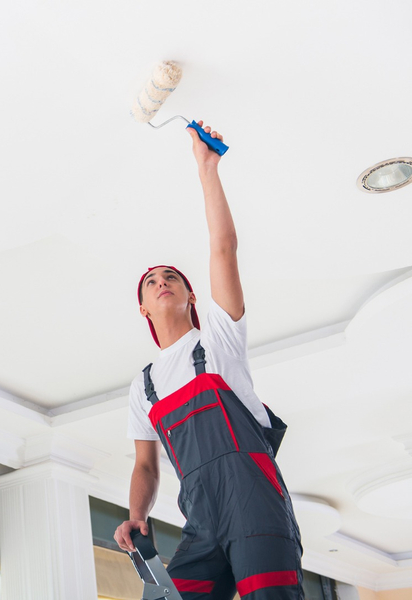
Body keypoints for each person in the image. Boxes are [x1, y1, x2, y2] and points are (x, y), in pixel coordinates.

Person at [114, 122, 304, 599]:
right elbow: (146, 466)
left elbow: (224, 247)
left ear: (190, 293)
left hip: (257, 507)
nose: (162, 280)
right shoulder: (145, 386)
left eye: (171, 276)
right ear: (143, 307)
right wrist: (138, 514)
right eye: (151, 280)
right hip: (200, 521)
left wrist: (207, 169)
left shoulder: (218, 338)